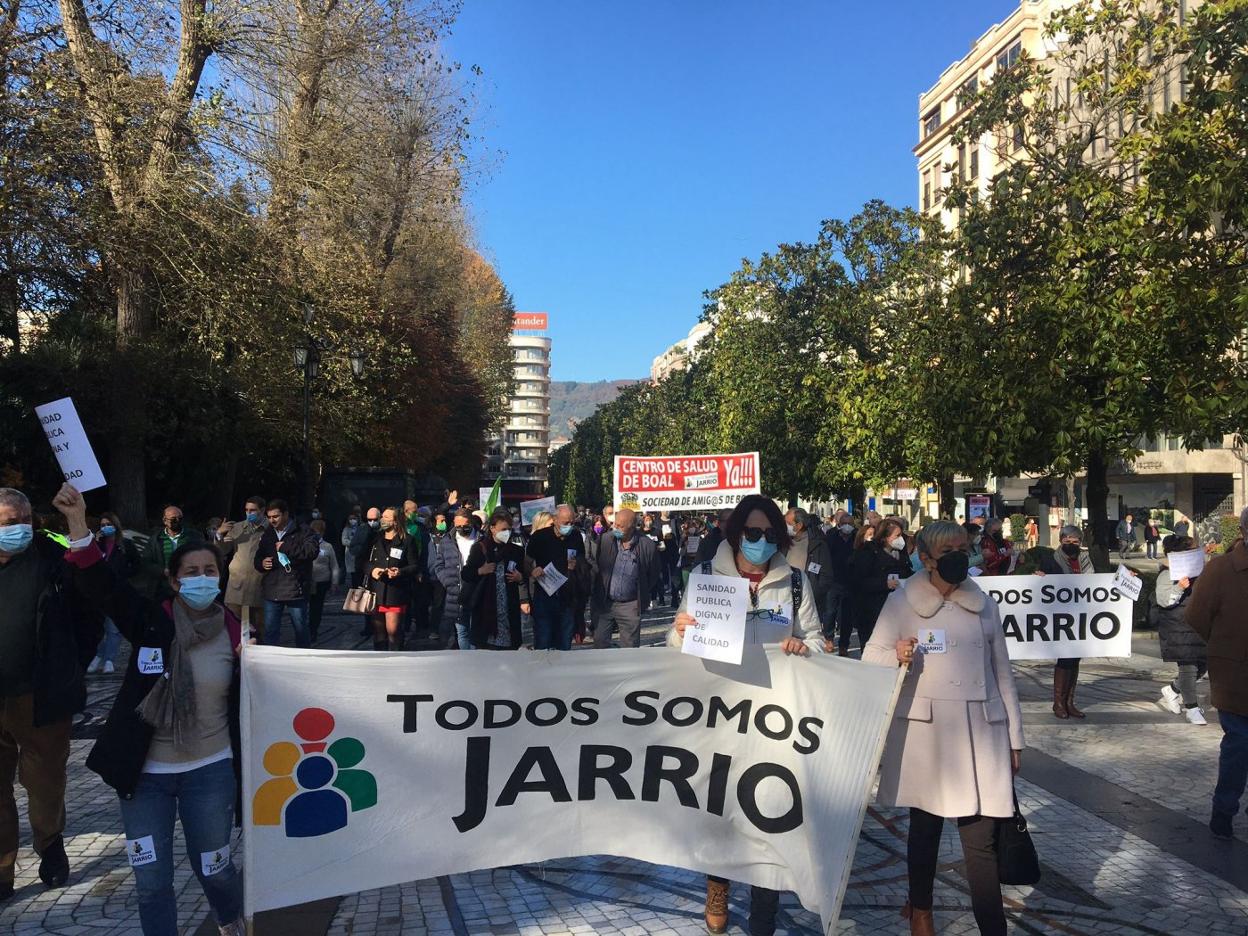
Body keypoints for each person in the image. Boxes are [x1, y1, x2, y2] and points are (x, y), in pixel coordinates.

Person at [53, 486, 246, 936]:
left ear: (219, 578)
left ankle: (229, 918)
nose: (202, 578)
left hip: (211, 772)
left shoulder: (239, 633)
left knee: (215, 868)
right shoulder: (150, 620)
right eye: (192, 572)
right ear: (175, 580)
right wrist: (79, 524)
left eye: (210, 571)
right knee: (151, 881)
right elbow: (103, 587)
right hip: (144, 777)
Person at [668, 494, 822, 936]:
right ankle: (717, 885)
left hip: (774, 717)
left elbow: (814, 637)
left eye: (769, 535)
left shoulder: (793, 582)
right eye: (752, 533)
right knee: (720, 807)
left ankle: (764, 914)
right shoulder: (703, 577)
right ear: (736, 534)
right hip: (719, 712)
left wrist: (804, 648)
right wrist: (681, 632)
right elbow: (677, 651)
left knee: (768, 811)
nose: (760, 542)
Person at [863, 520, 1023, 936]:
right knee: (926, 830)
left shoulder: (984, 603)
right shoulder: (903, 601)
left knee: (981, 838)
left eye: (963, 547)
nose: (960, 554)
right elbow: (871, 656)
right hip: (927, 733)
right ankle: (921, 910)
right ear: (928, 558)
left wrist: (1015, 738)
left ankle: (993, 926)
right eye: (949, 549)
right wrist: (895, 653)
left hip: (981, 732)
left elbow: (1002, 671)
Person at [0, 486, 98, 901]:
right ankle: (3, 869)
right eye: (8, 522)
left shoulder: (52, 559)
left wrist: (72, 665)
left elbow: (91, 603)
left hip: (40, 694)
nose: (18, 528)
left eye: (24, 520)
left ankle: (50, 844)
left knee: (43, 780)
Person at [1186, 506, 1248, 840]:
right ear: (1244, 531)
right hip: (1235, 675)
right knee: (1239, 744)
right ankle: (1224, 810)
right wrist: (1225, 643)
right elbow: (1196, 615)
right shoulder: (1222, 569)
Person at [1036, 524, 1093, 719]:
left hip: (1080, 614)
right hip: (1059, 616)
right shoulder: (1050, 559)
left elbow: (1095, 581)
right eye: (1066, 541)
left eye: (1075, 541)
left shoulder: (1085, 559)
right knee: (1064, 658)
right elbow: (1036, 586)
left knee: (1075, 658)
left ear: (1080, 543)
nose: (1070, 544)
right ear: (1060, 541)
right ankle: (1058, 703)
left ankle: (1069, 702)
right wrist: (1039, 577)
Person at [1155, 535, 1208, 725]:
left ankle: (1172, 690)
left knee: (1202, 665)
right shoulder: (1165, 574)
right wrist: (1178, 587)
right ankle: (1192, 708)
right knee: (1188, 667)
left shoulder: (1198, 573)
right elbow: (1164, 600)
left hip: (1196, 625)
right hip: (1176, 626)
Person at [591, 508, 662, 648]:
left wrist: (641, 591)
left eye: (621, 526)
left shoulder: (646, 546)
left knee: (630, 646)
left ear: (632, 526)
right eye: (615, 524)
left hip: (630, 604)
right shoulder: (606, 540)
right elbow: (598, 564)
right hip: (606, 602)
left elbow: (653, 573)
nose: (616, 528)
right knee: (599, 642)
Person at [253, 500, 319, 648]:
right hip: (272, 590)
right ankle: (271, 662)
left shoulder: (303, 530)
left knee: (300, 629)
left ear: (286, 514)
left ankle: (303, 659)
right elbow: (258, 557)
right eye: (269, 517)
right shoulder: (268, 533)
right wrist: (261, 563)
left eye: (275, 516)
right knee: (270, 631)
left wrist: (287, 547)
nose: (272, 520)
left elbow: (312, 552)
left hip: (295, 588)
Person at [463, 509, 532, 650]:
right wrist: (480, 570)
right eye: (503, 529)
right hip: (486, 609)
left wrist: (520, 578)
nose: (506, 532)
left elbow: (525, 576)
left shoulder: (516, 551)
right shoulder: (480, 548)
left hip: (508, 609)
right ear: (492, 529)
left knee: (508, 651)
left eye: (509, 529)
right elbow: (466, 573)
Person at [87, 511, 139, 675]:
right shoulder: (97, 544)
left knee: (114, 628)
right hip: (98, 592)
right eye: (103, 525)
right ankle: (98, 656)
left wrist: (125, 575)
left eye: (109, 524)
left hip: (118, 592)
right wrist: (96, 543)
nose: (106, 527)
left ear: (115, 526)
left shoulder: (125, 545)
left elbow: (137, 564)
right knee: (99, 628)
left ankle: (108, 660)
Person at [850, 517, 913, 652]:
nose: (900, 539)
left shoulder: (901, 553)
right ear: (885, 537)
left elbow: (908, 572)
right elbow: (859, 581)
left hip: (897, 608)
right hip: (872, 609)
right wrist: (884, 583)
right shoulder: (868, 552)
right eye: (897, 536)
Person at [526, 505, 583, 651]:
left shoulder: (576, 537)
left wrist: (577, 565)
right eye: (565, 523)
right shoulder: (539, 537)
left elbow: (584, 564)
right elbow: (526, 563)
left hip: (567, 596)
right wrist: (533, 570)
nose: (569, 526)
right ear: (555, 520)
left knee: (564, 643)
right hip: (545, 595)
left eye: (572, 523)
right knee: (543, 641)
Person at [364, 508, 420, 651]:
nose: (383, 519)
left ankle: (396, 658)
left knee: (393, 632)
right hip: (376, 591)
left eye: (387, 517)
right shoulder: (374, 538)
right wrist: (372, 570)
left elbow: (414, 566)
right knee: (378, 633)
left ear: (395, 522)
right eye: (382, 516)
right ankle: (379, 661)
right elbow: (362, 561)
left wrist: (400, 572)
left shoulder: (407, 540)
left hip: (395, 593)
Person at [217, 496, 267, 639]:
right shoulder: (237, 528)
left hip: (260, 585)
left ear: (262, 510)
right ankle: (237, 658)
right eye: (246, 510)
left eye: (253, 510)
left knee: (259, 628)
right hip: (237, 586)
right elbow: (222, 550)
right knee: (235, 626)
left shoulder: (270, 528)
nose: (249, 513)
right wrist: (219, 534)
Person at [428, 508, 475, 649]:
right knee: (462, 631)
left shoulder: (481, 538)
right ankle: (466, 660)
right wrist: (447, 581)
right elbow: (439, 565)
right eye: (458, 526)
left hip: (476, 589)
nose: (461, 529)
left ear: (471, 523)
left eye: (464, 525)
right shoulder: (447, 540)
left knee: (475, 631)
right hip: (455, 591)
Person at [786, 508, 833, 631]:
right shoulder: (783, 543)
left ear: (799, 525)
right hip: (785, 599)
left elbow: (826, 576)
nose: (785, 527)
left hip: (808, 602)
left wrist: (813, 594)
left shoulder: (818, 544)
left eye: (788, 524)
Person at [143, 506, 203, 598]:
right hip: (162, 587)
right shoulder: (156, 539)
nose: (177, 521)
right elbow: (146, 563)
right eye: (173, 519)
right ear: (164, 520)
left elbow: (203, 557)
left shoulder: (194, 536)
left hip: (188, 585)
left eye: (180, 518)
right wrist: (163, 571)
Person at [827, 516, 858, 655]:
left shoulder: (857, 538)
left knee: (847, 616)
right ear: (839, 525)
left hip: (850, 582)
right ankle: (828, 638)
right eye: (844, 524)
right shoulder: (831, 537)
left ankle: (843, 645)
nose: (847, 526)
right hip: (833, 581)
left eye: (850, 524)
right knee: (830, 612)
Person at [307, 519, 341, 643]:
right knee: (304, 608)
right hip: (307, 581)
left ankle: (313, 631)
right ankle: (305, 630)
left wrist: (334, 582)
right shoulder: (305, 544)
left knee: (316, 608)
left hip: (321, 582)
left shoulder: (327, 546)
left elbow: (334, 566)